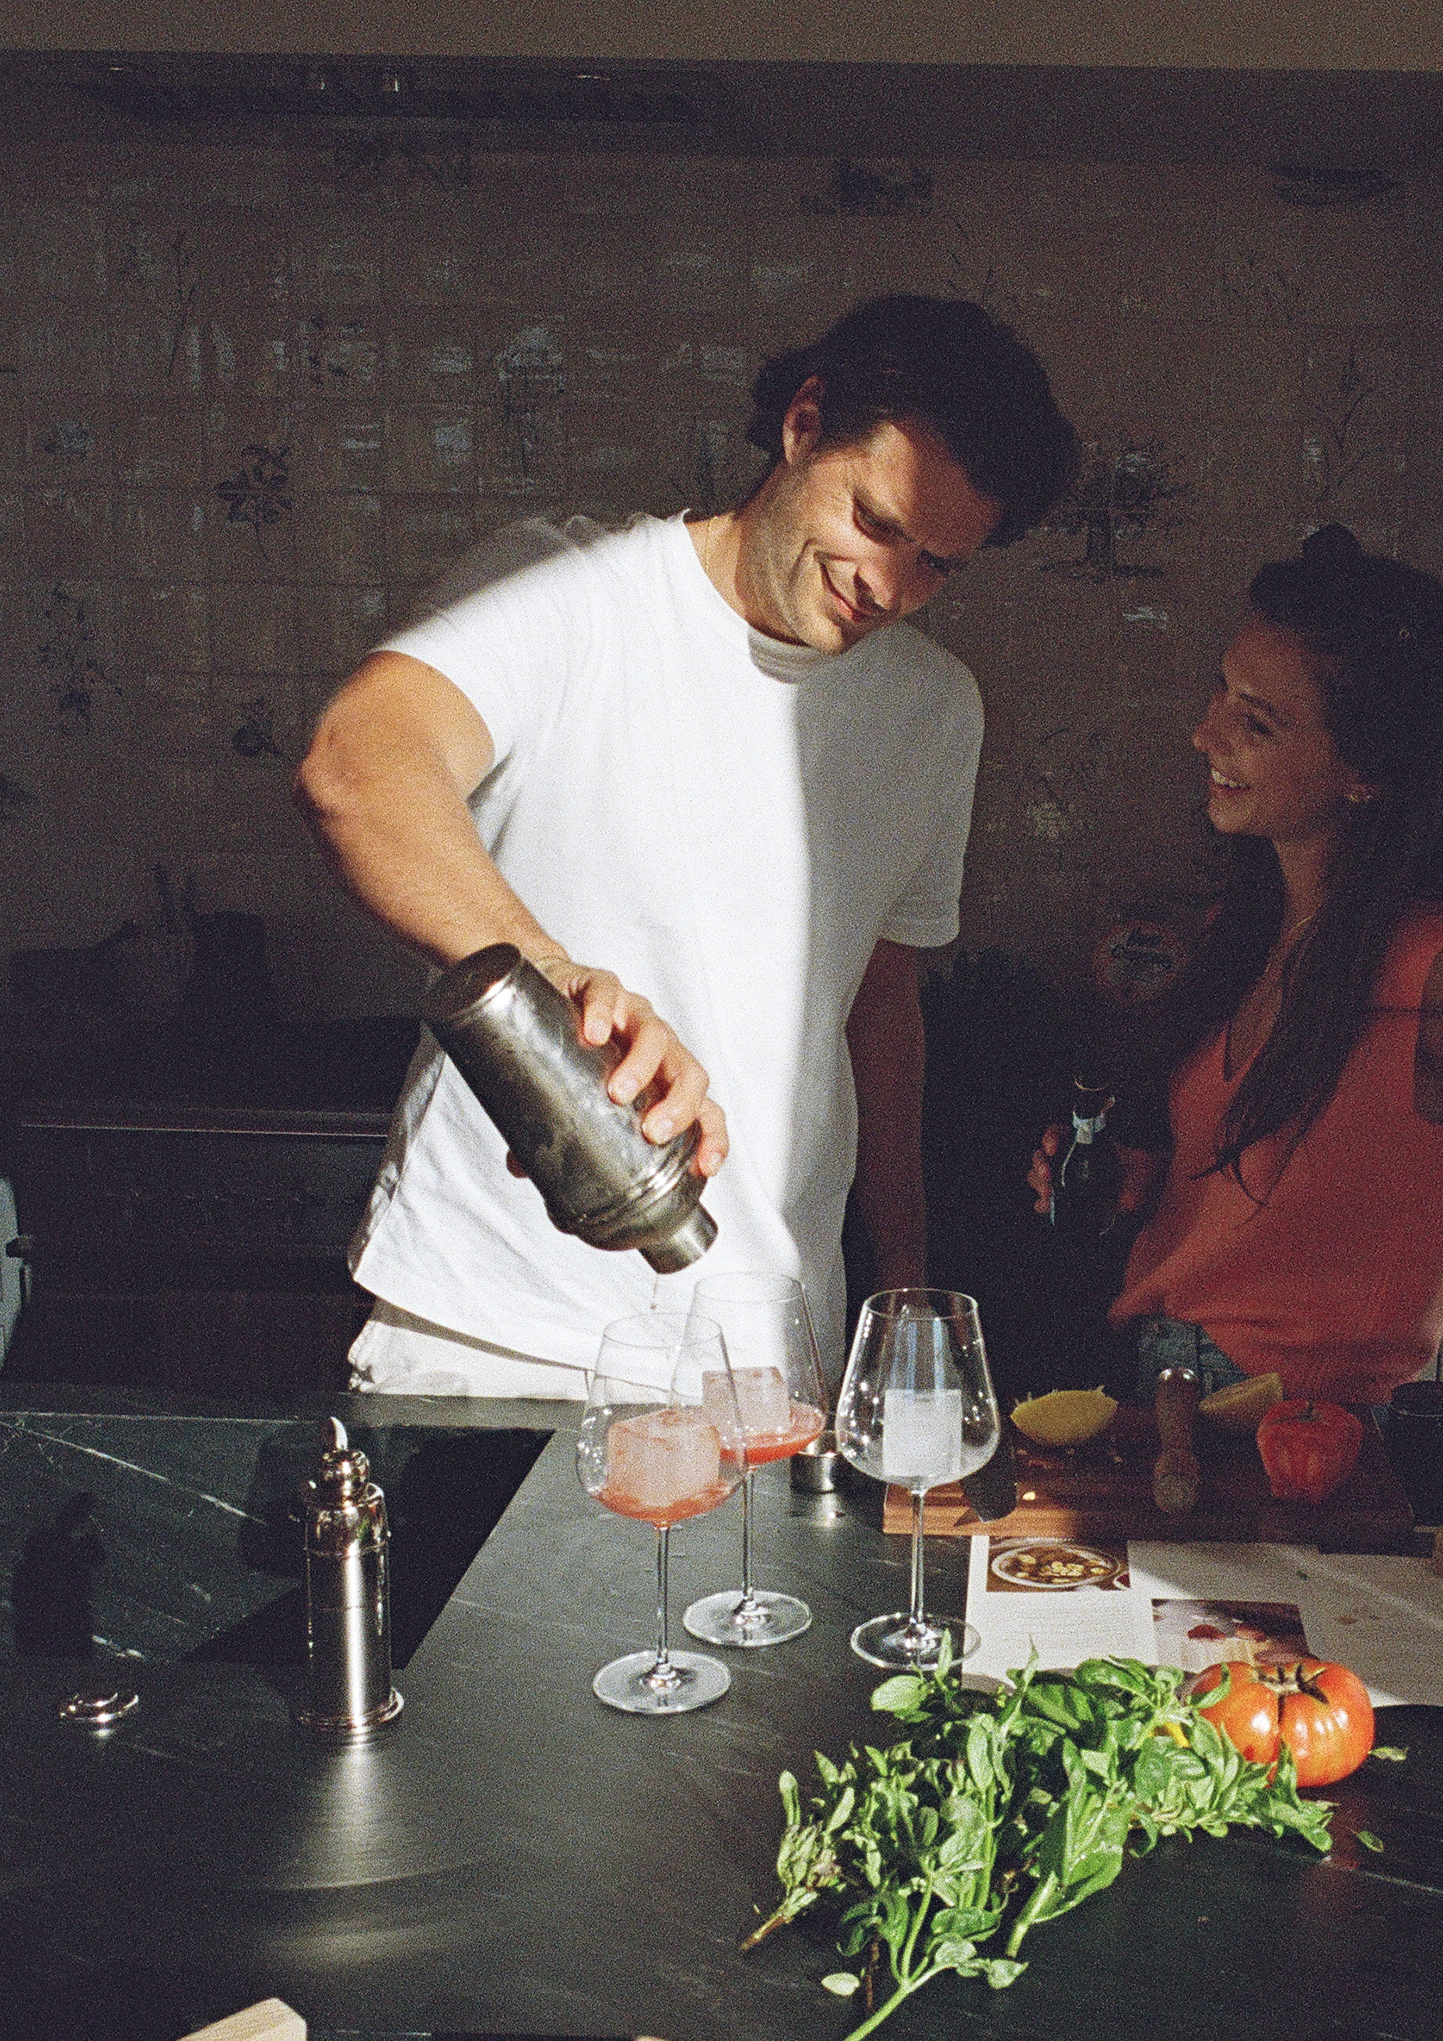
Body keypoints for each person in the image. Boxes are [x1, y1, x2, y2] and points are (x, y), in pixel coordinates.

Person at [296, 295, 1076, 1397]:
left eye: (937, 565)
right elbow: (355, 766)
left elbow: (877, 1000)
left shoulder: (934, 710)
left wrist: (900, 1277)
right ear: (803, 425)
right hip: (499, 1330)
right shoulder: (573, 590)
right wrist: (552, 976)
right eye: (874, 521)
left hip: (763, 1351)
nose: (887, 586)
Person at [1032, 525, 1443, 1579]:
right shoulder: (1244, 934)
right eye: (1220, 694)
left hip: (1308, 1447)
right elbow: (1259, 1201)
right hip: (1160, 1404)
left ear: (1366, 774)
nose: (1205, 734)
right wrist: (1122, 1181)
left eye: (1255, 721)